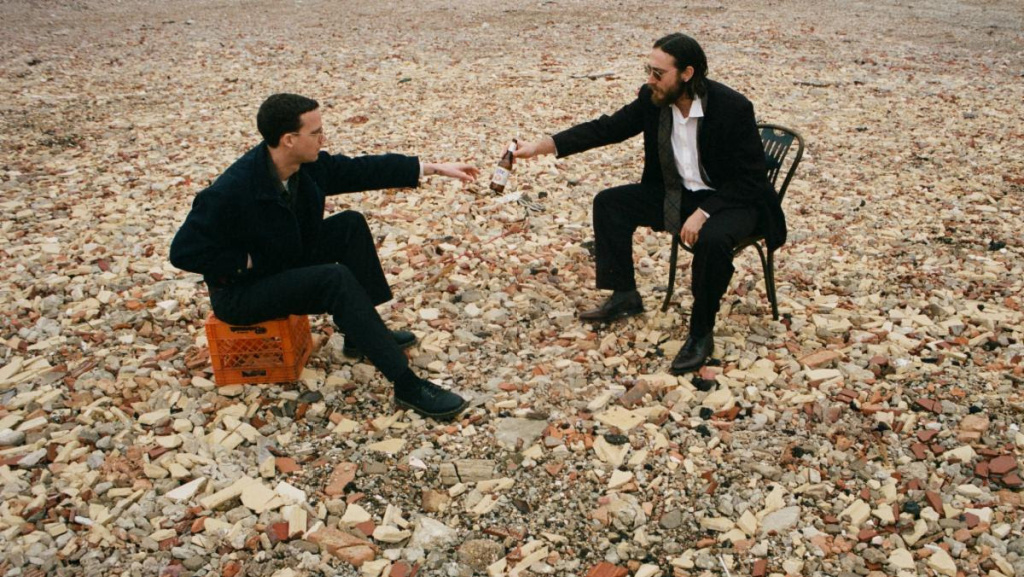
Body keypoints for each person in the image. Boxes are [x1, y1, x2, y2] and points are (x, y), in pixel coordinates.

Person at [170, 93, 478, 419]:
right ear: (289, 140)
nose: (323, 138)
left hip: (280, 261)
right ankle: (407, 385)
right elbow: (183, 252)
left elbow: (362, 170)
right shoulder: (232, 189)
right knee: (334, 279)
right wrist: (248, 261)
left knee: (349, 225)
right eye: (316, 132)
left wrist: (432, 168)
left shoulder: (307, 166)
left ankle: (359, 335)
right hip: (241, 293)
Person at [514, 33, 785, 374]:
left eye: (658, 73)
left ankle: (701, 333)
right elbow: (607, 129)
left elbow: (751, 178)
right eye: (649, 71)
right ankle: (624, 294)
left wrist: (704, 213)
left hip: (736, 200)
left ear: (687, 73)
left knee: (713, 240)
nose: (650, 80)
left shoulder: (732, 107)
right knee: (610, 203)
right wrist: (541, 146)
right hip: (679, 194)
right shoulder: (653, 99)